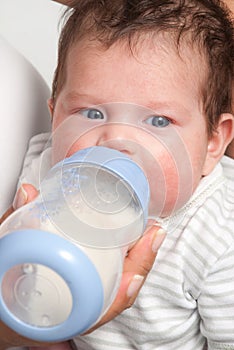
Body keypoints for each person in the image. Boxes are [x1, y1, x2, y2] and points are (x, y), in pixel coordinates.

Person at [0, 0, 233, 349]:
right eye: (91, 113)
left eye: (158, 121)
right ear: (55, 116)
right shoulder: (42, 171)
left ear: (213, 143)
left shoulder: (218, 232)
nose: (116, 141)